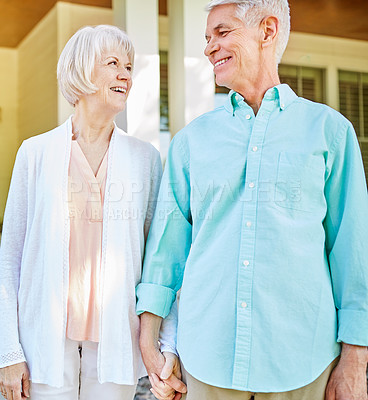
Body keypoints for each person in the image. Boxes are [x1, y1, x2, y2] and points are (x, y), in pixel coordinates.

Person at [136, 1, 368, 399]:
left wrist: (356, 358)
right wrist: (149, 340)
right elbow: (165, 252)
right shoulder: (191, 142)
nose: (210, 47)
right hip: (207, 359)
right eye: (207, 38)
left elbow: (352, 252)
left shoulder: (330, 133)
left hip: (303, 363)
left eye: (222, 33)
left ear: (267, 30)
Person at [0, 25, 178, 400]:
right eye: (112, 63)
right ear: (81, 70)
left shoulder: (145, 159)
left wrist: (165, 343)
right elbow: (9, 259)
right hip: (43, 343)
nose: (125, 75)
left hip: (115, 340)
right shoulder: (35, 154)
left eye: (128, 67)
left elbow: (160, 261)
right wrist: (9, 351)